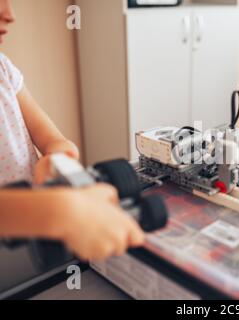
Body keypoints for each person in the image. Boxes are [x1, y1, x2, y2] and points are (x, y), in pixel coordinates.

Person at [0, 0, 145, 260]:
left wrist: (57, 156)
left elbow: (53, 140)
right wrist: (58, 211)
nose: (9, 15)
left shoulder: (4, 69)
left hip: (36, 242)